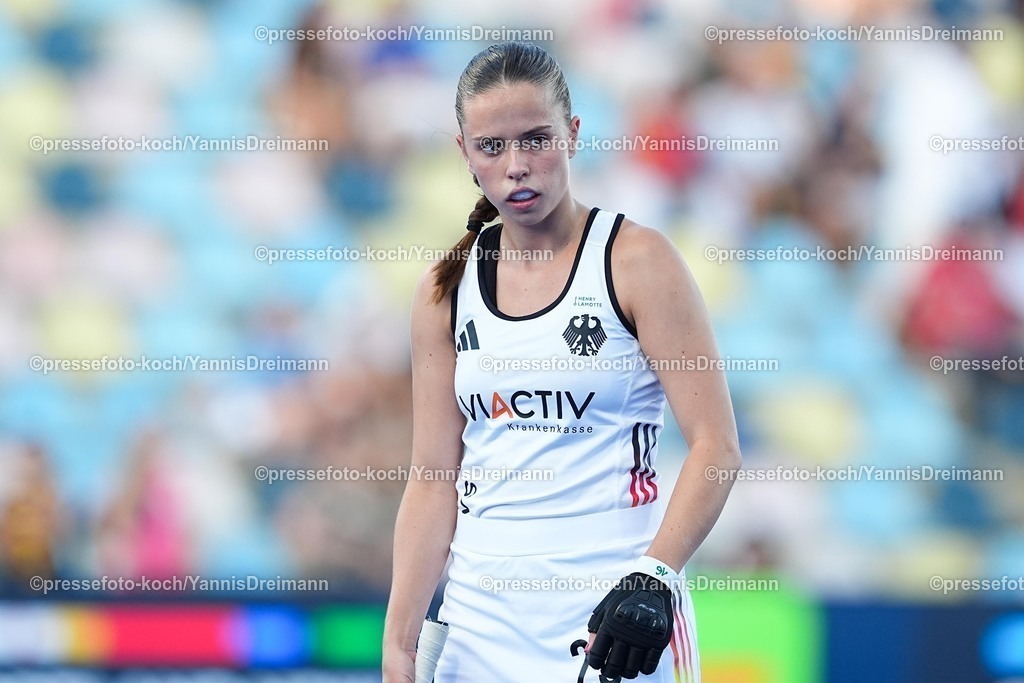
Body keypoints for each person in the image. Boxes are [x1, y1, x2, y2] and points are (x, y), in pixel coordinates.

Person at [383, 41, 740, 683]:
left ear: (573, 135)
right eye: (492, 146)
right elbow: (433, 475)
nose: (517, 166)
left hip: (616, 628)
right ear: (465, 154)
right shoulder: (444, 288)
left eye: (536, 139)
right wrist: (401, 644)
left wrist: (655, 575)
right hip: (478, 631)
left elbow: (717, 448)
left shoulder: (639, 263)